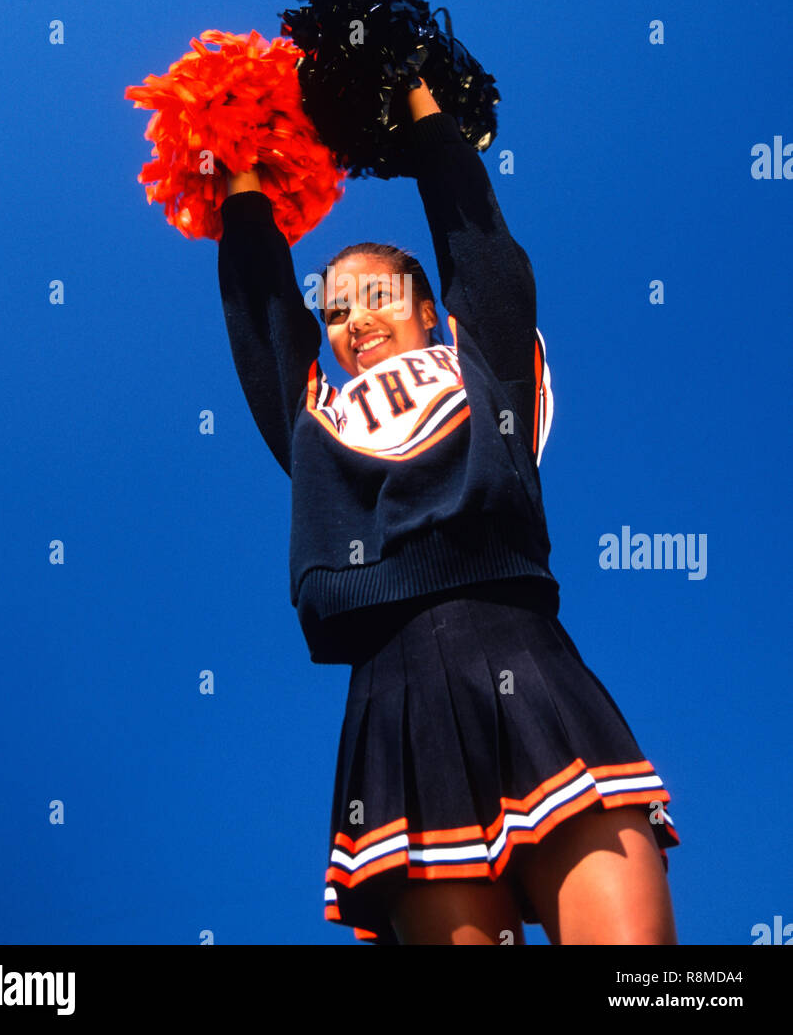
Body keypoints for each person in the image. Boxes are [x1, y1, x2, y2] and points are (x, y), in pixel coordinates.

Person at [217, 77, 680, 945]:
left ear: (430, 314)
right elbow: (263, 317)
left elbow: (485, 256)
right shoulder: (315, 417)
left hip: (519, 652)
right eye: (338, 313)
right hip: (390, 699)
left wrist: (422, 104)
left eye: (378, 298)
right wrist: (239, 169)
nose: (354, 322)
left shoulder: (482, 369)